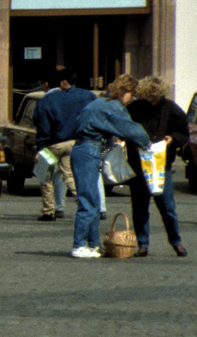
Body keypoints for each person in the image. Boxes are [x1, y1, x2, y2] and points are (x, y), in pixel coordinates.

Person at [69, 75, 150, 259]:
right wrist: (146, 144)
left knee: (94, 200)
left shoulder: (100, 102)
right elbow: (131, 129)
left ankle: (93, 244)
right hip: (88, 150)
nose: (132, 99)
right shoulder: (114, 107)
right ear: (125, 92)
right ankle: (79, 245)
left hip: (84, 149)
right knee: (88, 200)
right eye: (132, 94)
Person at [125, 77, 187, 257]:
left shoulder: (171, 109)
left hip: (162, 164)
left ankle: (176, 241)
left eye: (155, 98)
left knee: (167, 206)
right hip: (139, 164)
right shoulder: (135, 108)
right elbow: (126, 129)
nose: (152, 101)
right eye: (149, 98)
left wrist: (172, 138)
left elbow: (182, 132)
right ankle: (142, 243)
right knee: (140, 206)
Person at [34, 68, 92, 223]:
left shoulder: (47, 100)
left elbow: (42, 125)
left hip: (52, 143)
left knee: (45, 176)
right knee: (70, 176)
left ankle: (49, 211)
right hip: (73, 142)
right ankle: (84, 206)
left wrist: (40, 146)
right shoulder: (85, 96)